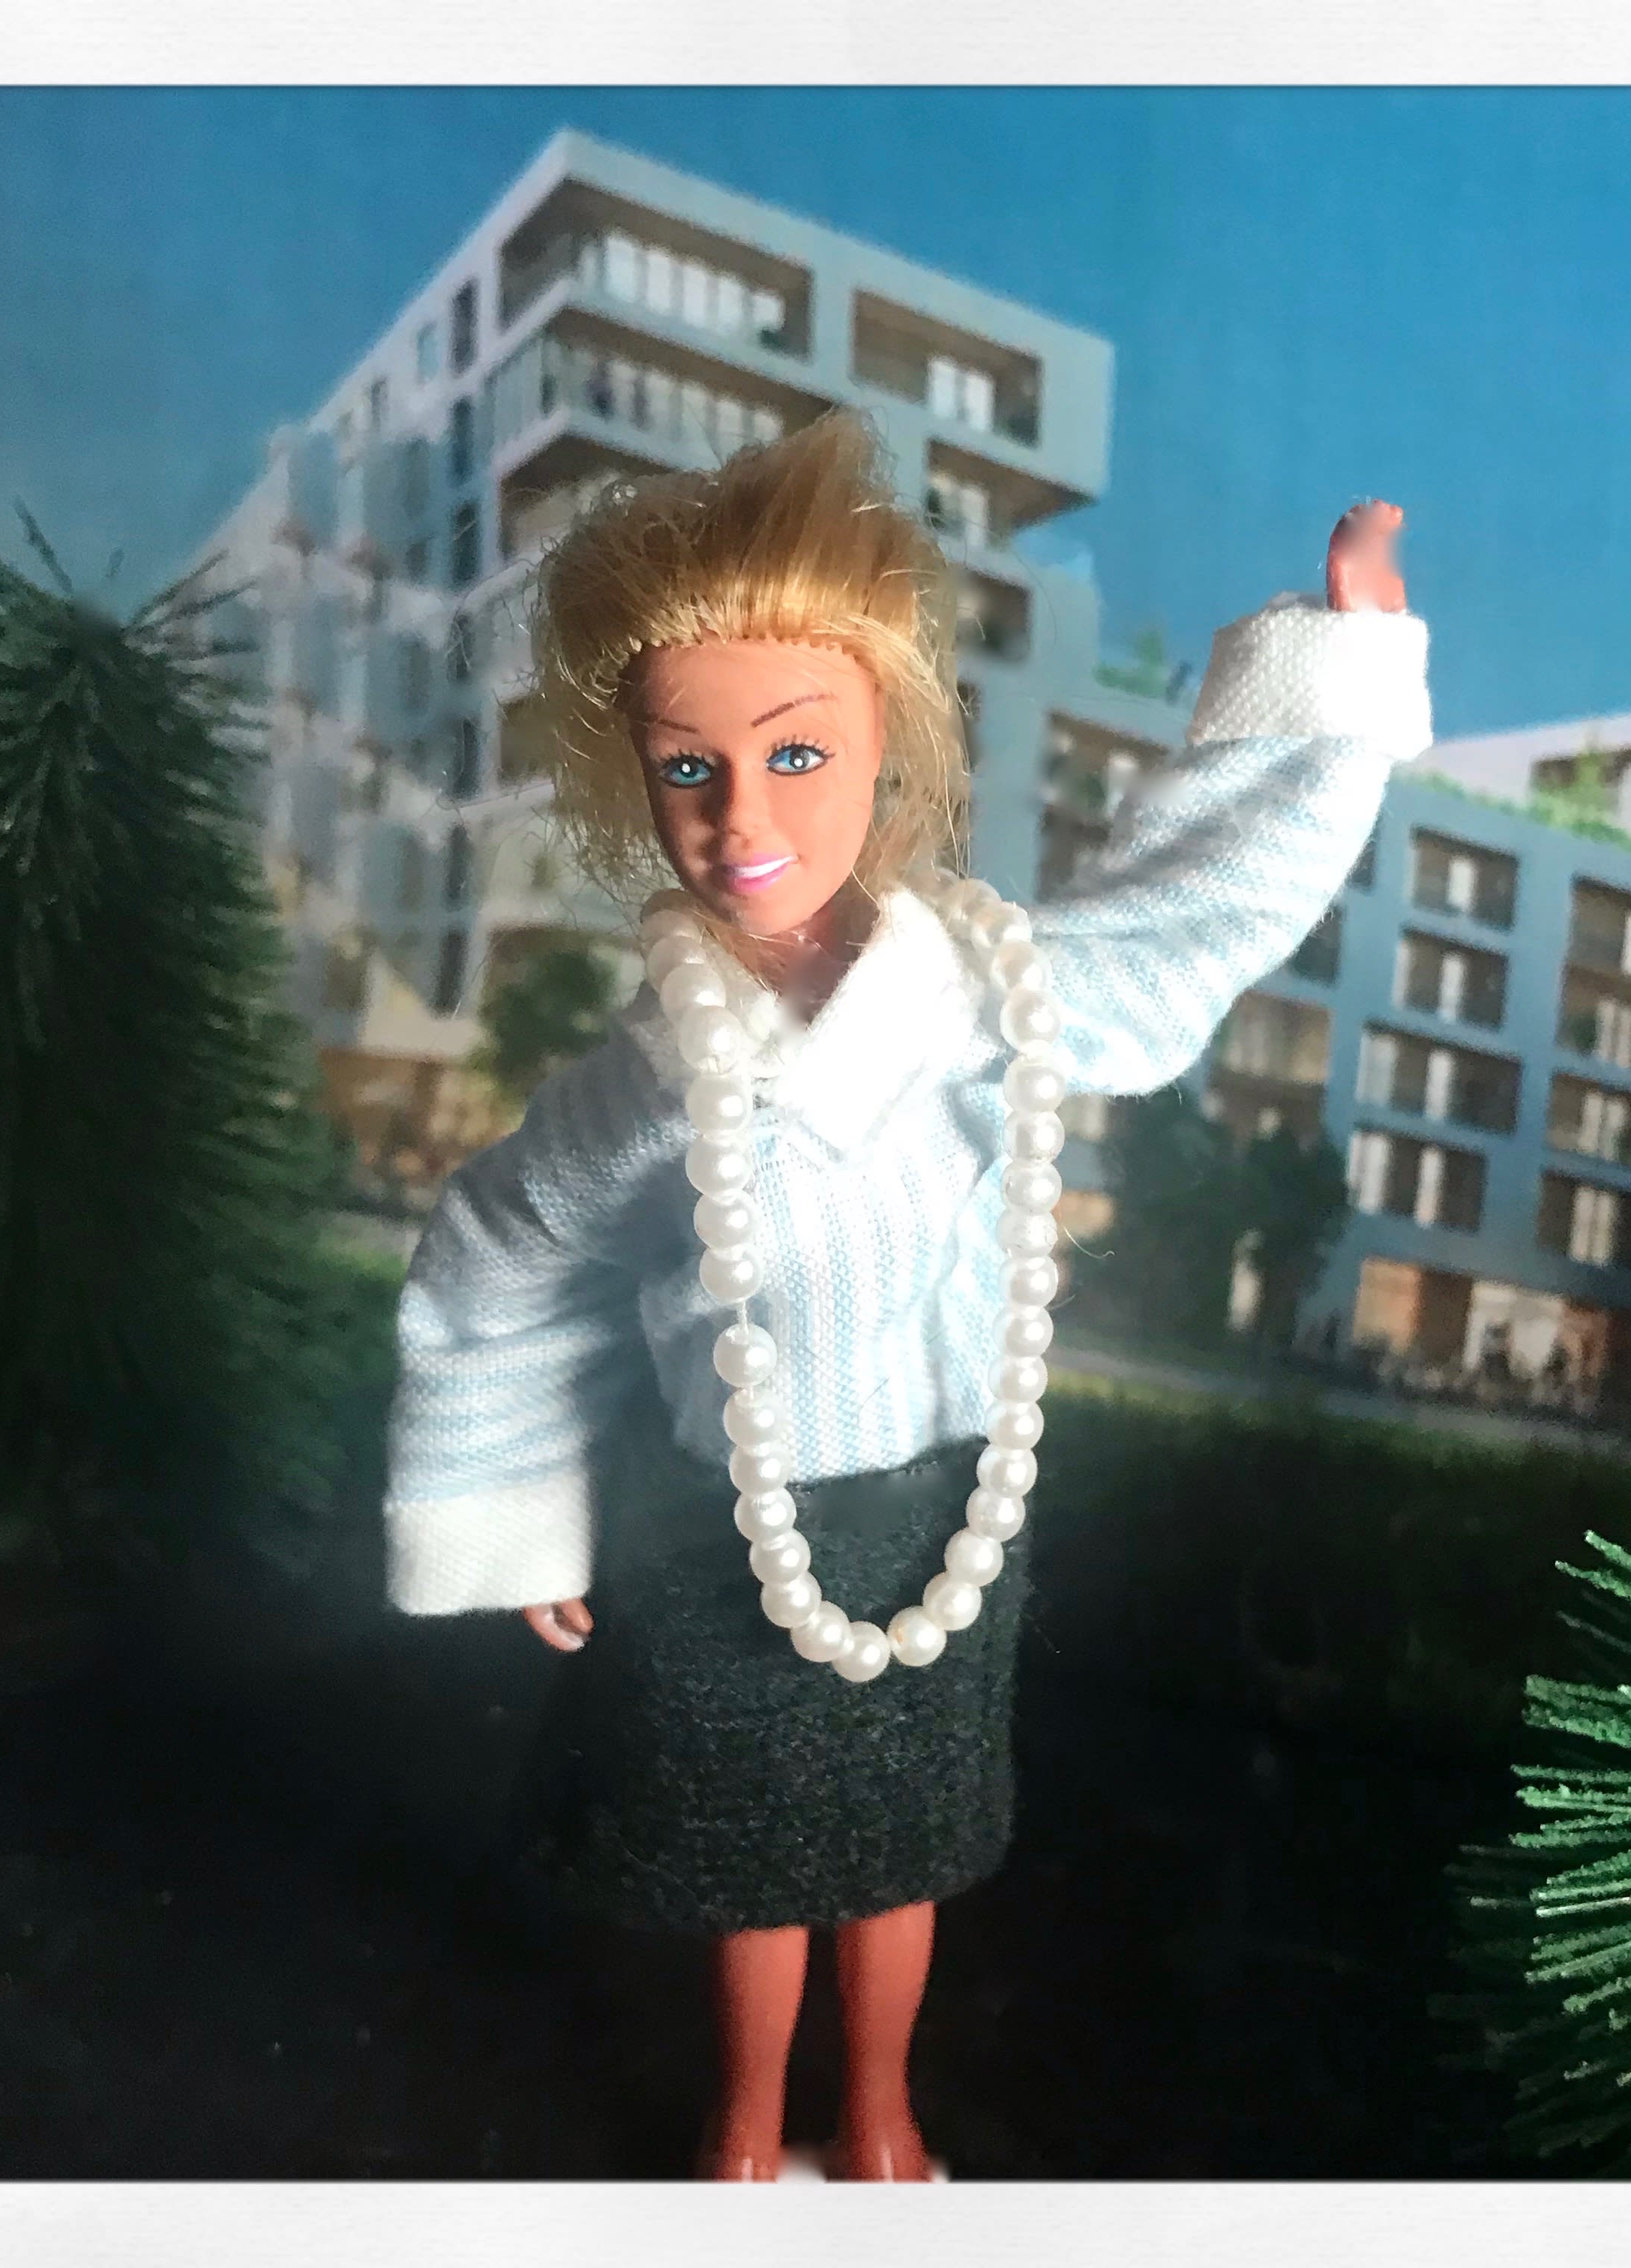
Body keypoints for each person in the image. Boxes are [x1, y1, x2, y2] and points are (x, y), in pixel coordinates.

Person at [379, 410, 1430, 2180]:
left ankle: (879, 2120)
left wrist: (1335, 681)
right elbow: (506, 1244)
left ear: (888, 744)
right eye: (690, 768)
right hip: (725, 1532)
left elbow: (1186, 915)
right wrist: (523, 1503)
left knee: (900, 1856)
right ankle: (741, 2132)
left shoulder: (981, 994)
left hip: (943, 1505)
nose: (744, 817)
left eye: (797, 753)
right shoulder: (656, 1072)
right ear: (639, 781)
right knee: (748, 1863)